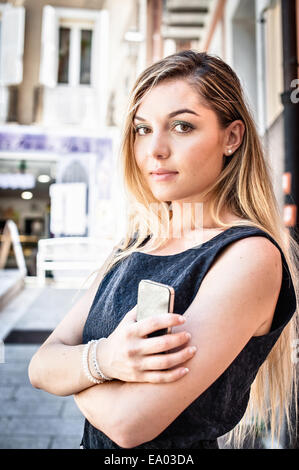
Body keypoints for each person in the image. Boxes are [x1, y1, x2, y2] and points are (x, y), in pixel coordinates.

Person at [28, 50, 298, 450]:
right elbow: (39, 365)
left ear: (232, 137)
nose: (155, 150)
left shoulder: (249, 255)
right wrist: (107, 361)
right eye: (142, 129)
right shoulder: (136, 242)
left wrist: (82, 370)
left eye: (182, 126)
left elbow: (128, 424)